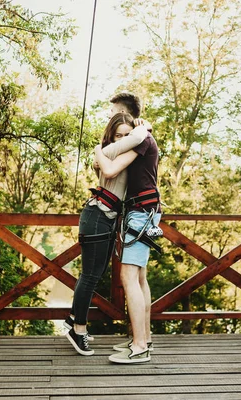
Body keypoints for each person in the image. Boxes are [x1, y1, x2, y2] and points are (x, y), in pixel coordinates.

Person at [64, 95, 148, 356]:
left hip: (105, 218)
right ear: (111, 136)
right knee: (90, 276)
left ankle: (73, 319)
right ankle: (78, 330)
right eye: (117, 135)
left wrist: (137, 131)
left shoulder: (117, 150)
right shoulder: (110, 151)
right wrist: (143, 129)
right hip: (97, 215)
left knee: (92, 275)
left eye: (126, 134)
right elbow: (120, 156)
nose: (122, 139)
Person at [94, 107, 161, 364]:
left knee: (128, 275)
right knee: (140, 277)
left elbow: (108, 171)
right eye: (117, 136)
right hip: (143, 209)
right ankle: (144, 337)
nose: (121, 140)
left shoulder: (142, 138)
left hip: (143, 211)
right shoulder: (140, 137)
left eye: (115, 111)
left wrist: (98, 150)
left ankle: (140, 345)